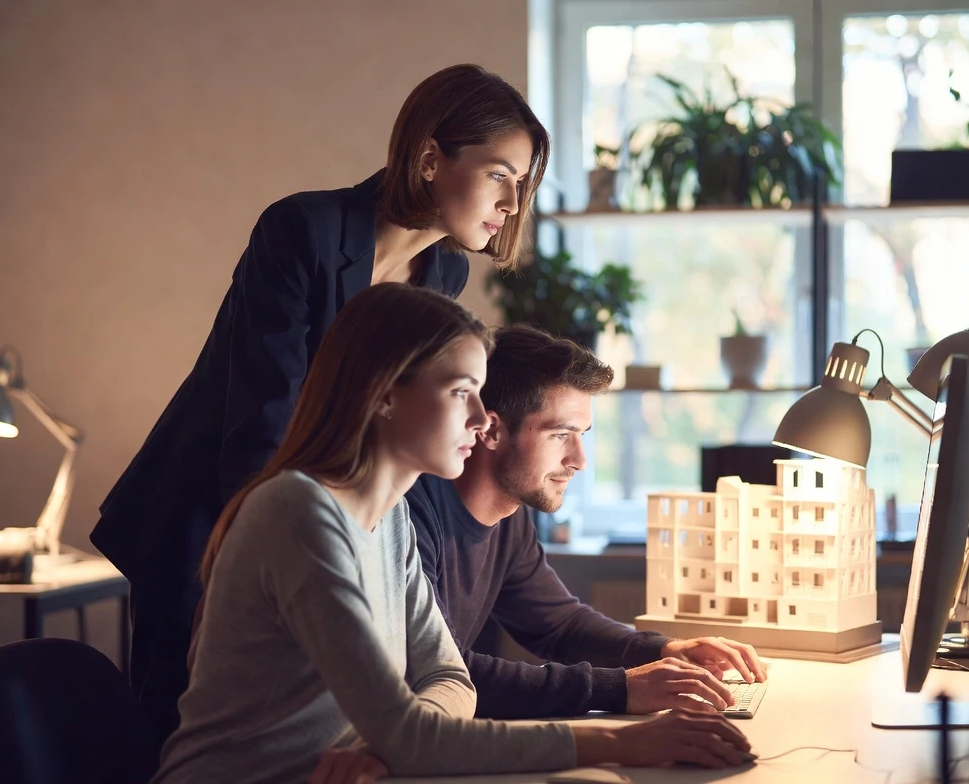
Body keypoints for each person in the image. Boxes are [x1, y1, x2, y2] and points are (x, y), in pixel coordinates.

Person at [90, 63, 552, 752]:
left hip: (319, 520)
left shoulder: (443, 273)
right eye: (499, 176)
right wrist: (276, 542)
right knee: (185, 736)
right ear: (430, 157)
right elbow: (262, 418)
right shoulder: (303, 229)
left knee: (316, 733)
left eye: (523, 185)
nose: (513, 204)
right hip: (209, 514)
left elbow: (392, 423)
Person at [152, 283, 753, 783]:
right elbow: (414, 729)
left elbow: (448, 679)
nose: (478, 419)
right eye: (463, 393)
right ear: (385, 395)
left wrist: (388, 747)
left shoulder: (385, 518)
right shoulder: (298, 514)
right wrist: (623, 741)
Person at [406, 325, 769, 719]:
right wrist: (620, 689)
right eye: (561, 434)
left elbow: (559, 625)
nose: (579, 460)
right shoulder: (412, 514)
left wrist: (665, 649)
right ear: (491, 430)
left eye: (582, 435)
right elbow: (446, 675)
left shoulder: (510, 516)